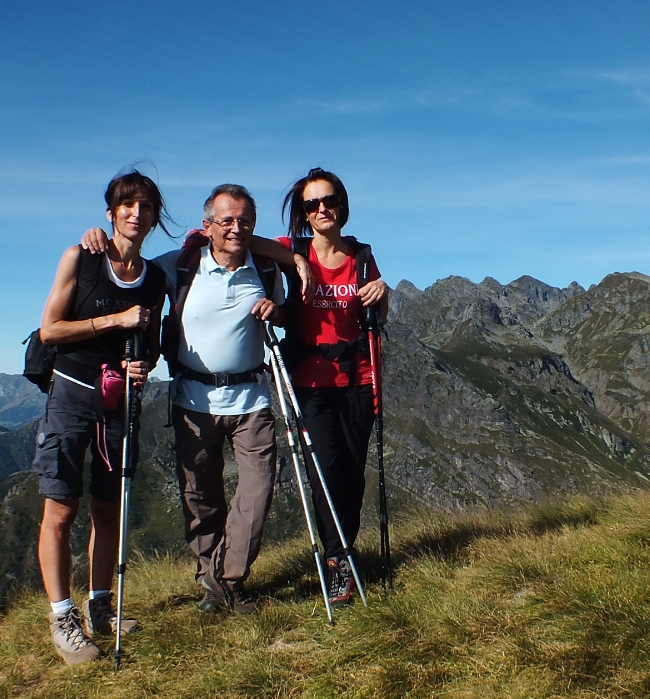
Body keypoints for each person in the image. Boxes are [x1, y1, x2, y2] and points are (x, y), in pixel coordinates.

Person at [81, 186, 302, 615]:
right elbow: (129, 270)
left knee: (256, 494)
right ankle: (215, 583)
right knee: (200, 497)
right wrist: (98, 240)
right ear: (207, 227)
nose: (236, 228)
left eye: (244, 221)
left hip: (251, 399)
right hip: (192, 399)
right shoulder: (178, 266)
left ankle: (225, 579)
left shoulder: (267, 270)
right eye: (226, 221)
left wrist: (279, 309)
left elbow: (292, 312)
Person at [33, 170, 167, 665]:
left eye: (145, 207)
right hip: (69, 394)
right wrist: (114, 319)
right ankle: (63, 616)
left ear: (154, 219)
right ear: (111, 213)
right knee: (61, 511)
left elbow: (148, 345)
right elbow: (50, 331)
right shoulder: (82, 258)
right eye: (126, 205)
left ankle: (101, 609)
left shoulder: (155, 279)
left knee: (107, 510)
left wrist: (144, 365)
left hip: (117, 403)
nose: (136, 214)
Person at [277, 167, 387, 607]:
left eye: (329, 201)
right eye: (312, 204)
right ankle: (337, 559)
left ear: (341, 205)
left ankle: (346, 550)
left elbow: (380, 313)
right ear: (303, 214)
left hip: (359, 380)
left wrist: (384, 291)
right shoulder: (292, 249)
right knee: (326, 471)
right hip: (310, 382)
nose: (322, 209)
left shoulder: (361, 257)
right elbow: (246, 243)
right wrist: (297, 260)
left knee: (352, 474)